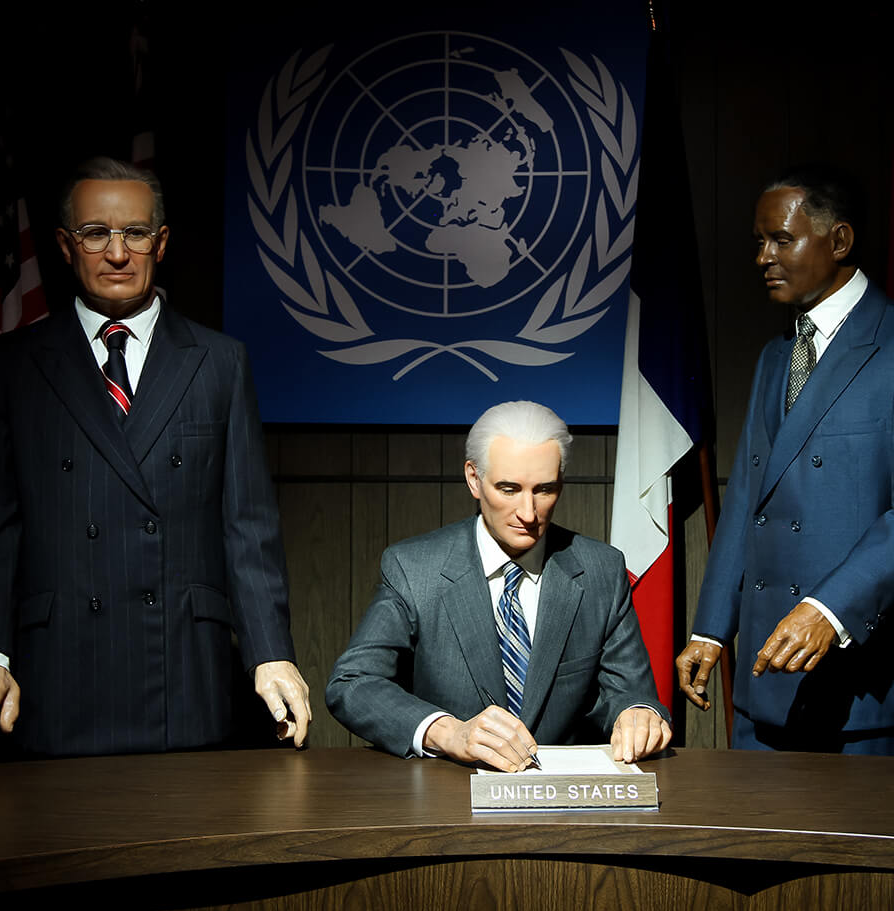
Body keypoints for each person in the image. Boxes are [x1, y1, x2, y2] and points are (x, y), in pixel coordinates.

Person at [0, 157, 311, 758]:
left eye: (135, 234)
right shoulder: (11, 365)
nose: (117, 253)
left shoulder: (219, 362)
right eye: (96, 233)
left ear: (160, 242)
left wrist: (271, 653)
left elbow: (247, 527)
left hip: (183, 671)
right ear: (66, 246)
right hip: (53, 672)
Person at [326, 401, 671, 772]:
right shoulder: (414, 568)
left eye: (544, 489)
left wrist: (638, 713)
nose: (528, 512)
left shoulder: (601, 570)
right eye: (509, 489)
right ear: (474, 479)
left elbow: (628, 692)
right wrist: (448, 733)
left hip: (565, 803)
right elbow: (353, 682)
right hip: (449, 797)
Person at [676, 165, 894, 753]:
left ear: (840, 240)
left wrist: (832, 607)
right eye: (758, 242)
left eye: (781, 239)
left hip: (858, 690)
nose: (763, 257)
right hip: (761, 688)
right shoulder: (777, 356)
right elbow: (748, 499)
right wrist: (711, 629)